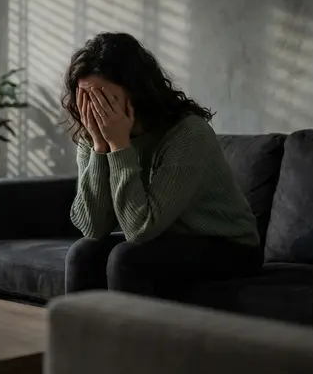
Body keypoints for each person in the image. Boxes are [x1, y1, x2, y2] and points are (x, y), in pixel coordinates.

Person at [63, 32, 261, 297]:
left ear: (135, 91)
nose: (95, 110)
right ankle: (82, 339)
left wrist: (120, 146)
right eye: (86, 99)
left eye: (104, 99)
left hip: (229, 246)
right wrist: (100, 148)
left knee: (127, 258)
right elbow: (93, 227)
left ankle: (136, 340)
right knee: (83, 253)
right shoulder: (94, 135)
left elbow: (139, 229)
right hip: (165, 239)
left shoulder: (188, 134)